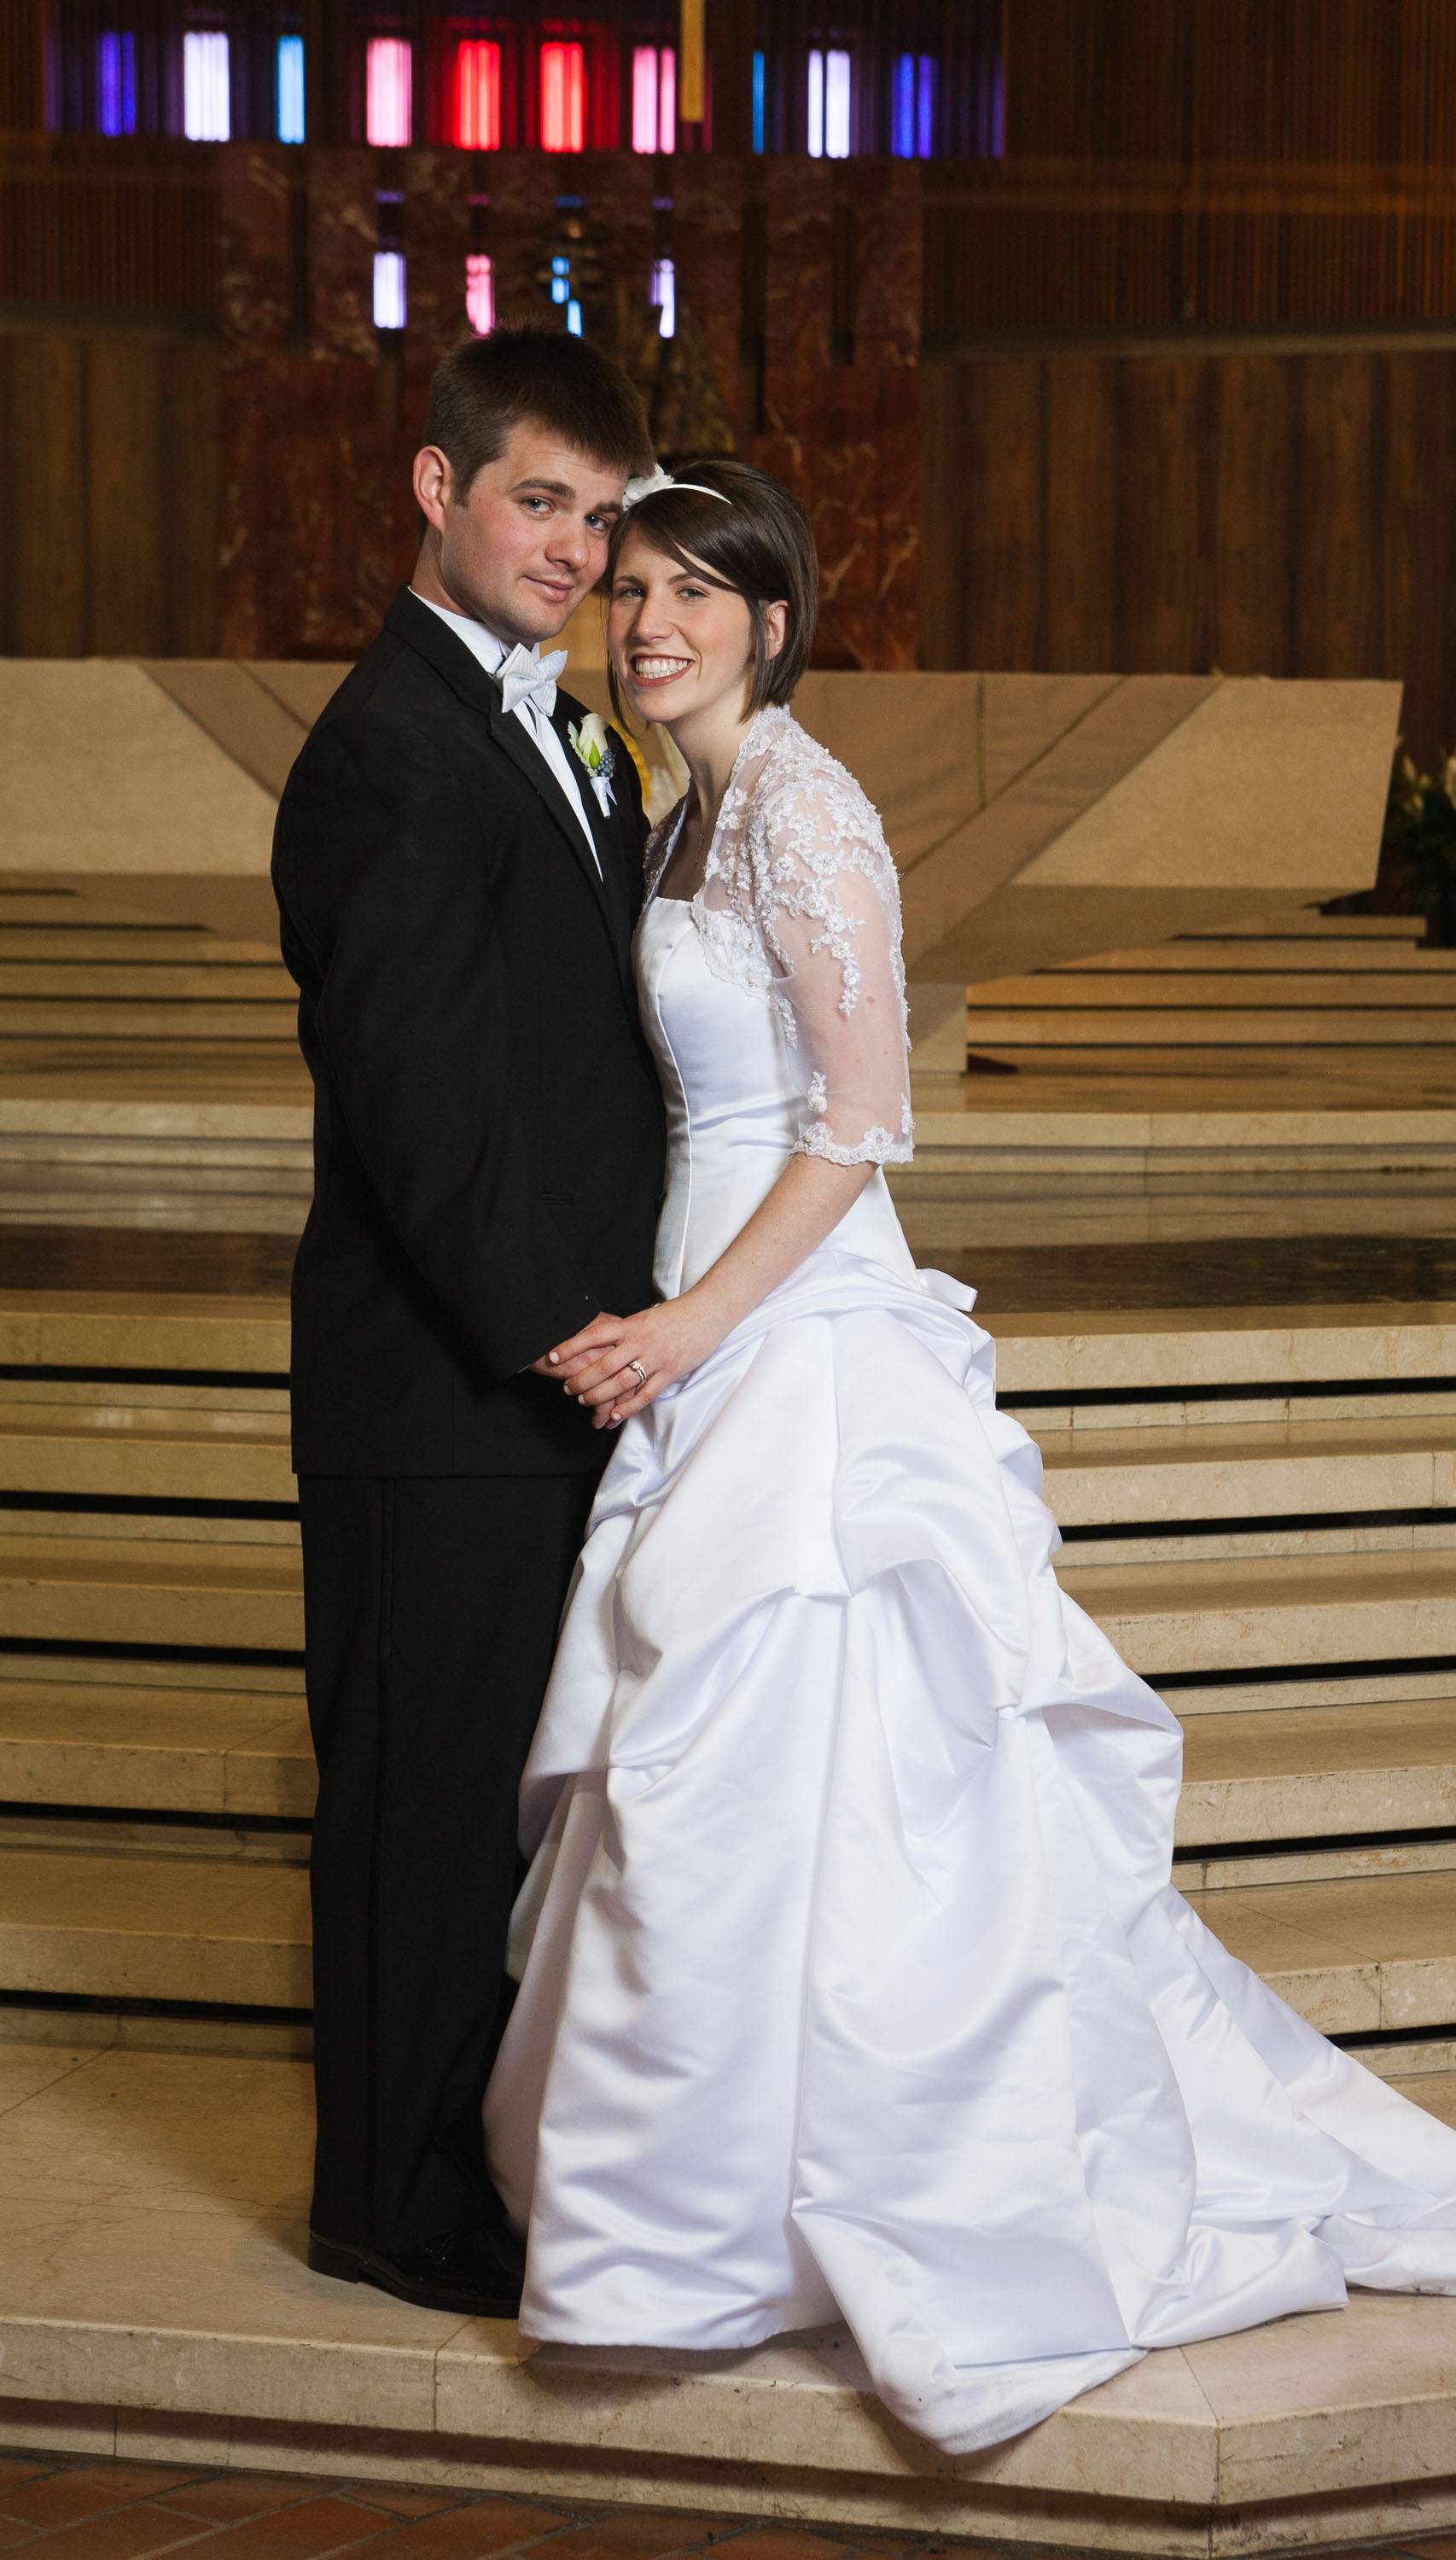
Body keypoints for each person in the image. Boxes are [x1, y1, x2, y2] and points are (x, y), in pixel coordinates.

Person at [480, 457, 1456, 2452]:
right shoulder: (686, 807)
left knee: (833, 1743)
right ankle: (704, 2209)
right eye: (629, 588)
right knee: (708, 1760)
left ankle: (856, 2200)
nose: (651, 624)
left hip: (793, 1325)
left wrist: (702, 1324)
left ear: (774, 621)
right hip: (706, 1311)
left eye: (698, 592)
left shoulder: (806, 808)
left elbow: (864, 1120)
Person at [271, 328, 665, 2318]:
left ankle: (475, 2162)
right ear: (437, 491)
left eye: (602, 518)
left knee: (495, 1814)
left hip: (541, 1388)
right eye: (540, 502)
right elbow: (424, 1120)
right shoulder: (386, 751)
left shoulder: (556, 726)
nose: (576, 552)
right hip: (441, 1389)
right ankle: (389, 2208)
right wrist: (571, 1336)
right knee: (418, 1810)